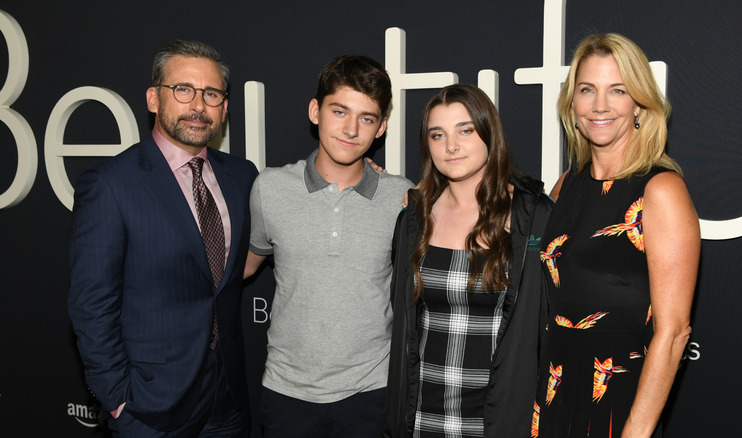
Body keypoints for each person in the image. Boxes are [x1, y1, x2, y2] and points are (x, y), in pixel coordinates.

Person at [68, 40, 258, 436]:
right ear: (154, 98)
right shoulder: (111, 185)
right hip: (150, 406)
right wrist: (118, 400)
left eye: (211, 94)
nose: (198, 105)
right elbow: (91, 305)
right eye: (183, 90)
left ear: (224, 106)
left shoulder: (242, 176)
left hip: (228, 400)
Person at [532, 33, 700, 437]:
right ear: (572, 104)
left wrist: (635, 431)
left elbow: (674, 331)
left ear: (639, 104)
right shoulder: (564, 187)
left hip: (621, 402)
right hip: (553, 394)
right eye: (587, 90)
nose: (600, 105)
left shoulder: (660, 190)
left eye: (617, 90)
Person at [243, 55, 413, 437]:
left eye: (367, 118)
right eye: (339, 111)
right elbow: (245, 265)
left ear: (381, 127)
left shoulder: (402, 196)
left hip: (372, 392)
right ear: (315, 111)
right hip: (287, 392)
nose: (351, 129)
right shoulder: (270, 189)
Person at [384, 84, 554, 437]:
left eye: (465, 130)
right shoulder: (414, 218)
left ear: (490, 133)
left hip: (500, 417)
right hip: (422, 414)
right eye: (437, 134)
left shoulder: (532, 216)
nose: (451, 146)